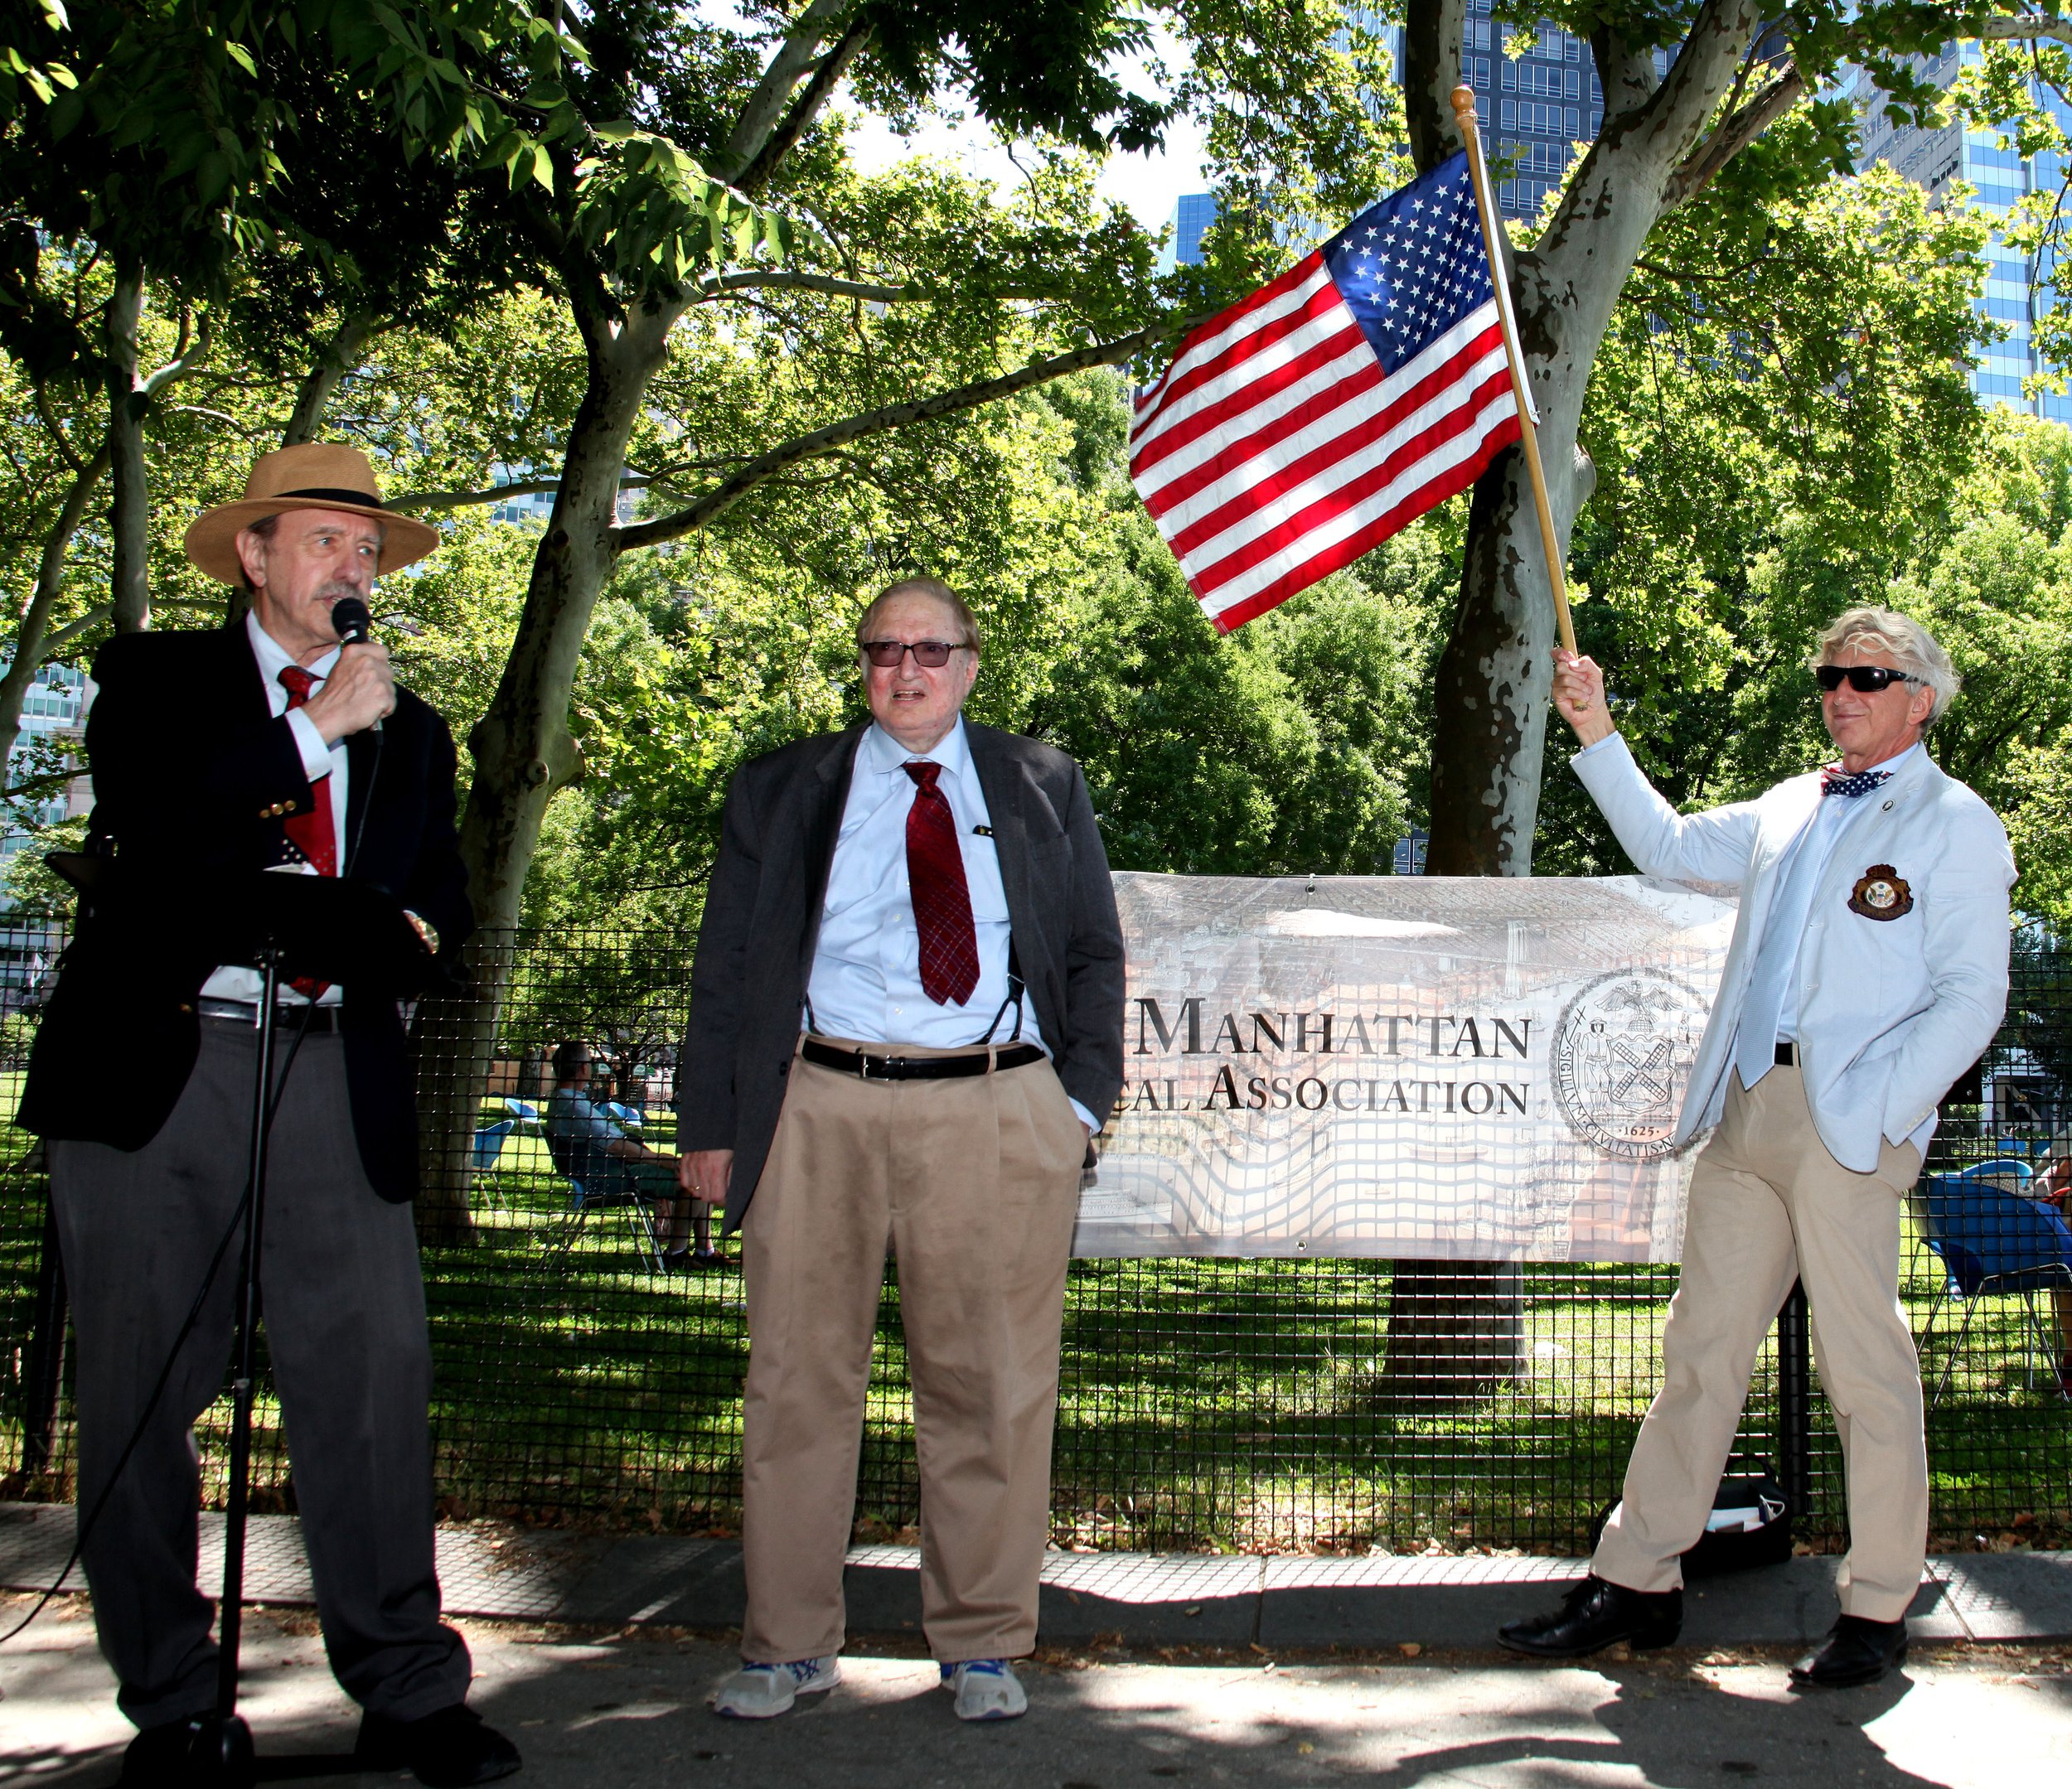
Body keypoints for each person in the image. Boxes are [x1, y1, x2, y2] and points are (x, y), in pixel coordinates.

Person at [18, 443, 520, 1784]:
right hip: (159, 1073)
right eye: (324, 542)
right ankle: (174, 1699)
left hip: (325, 1068)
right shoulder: (155, 682)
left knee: (371, 1383)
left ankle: (410, 1686)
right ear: (253, 554)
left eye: (369, 551)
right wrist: (311, 731)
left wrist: (402, 928)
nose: (352, 570)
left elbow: (439, 906)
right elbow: (157, 813)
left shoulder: (413, 732)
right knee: (134, 1392)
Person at [1501, 607, 2013, 1690]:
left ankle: (1878, 1602)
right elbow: (1671, 847)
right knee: (1702, 1349)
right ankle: (1639, 1576)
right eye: (1831, 673)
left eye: (1868, 675)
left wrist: (1884, 1108)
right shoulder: (1792, 801)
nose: (1842, 691)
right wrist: (1595, 728)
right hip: (1743, 1107)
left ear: (1920, 697)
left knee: (1863, 1362)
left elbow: (1974, 995)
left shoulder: (1956, 822)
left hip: (1849, 1125)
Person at [675, 574, 1125, 1724]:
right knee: (792, 1384)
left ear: (971, 663)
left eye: (931, 649)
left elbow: (1090, 949)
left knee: (988, 1390)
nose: (907, 669)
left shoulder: (1041, 781)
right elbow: (725, 964)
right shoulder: (782, 790)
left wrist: (1076, 1106)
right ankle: (786, 1645)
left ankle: (981, 1644)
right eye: (884, 650)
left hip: (994, 1110)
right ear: (865, 667)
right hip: (819, 1105)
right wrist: (712, 1125)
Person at [545, 1040, 716, 1266]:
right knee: (695, 1181)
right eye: (590, 1061)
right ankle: (677, 1253)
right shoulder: (573, 1106)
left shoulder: (564, 1101)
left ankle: (705, 1252)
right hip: (611, 1175)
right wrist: (662, 1161)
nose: (592, 1066)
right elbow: (617, 1147)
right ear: (582, 1068)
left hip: (606, 1168)